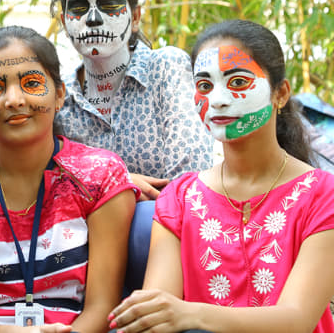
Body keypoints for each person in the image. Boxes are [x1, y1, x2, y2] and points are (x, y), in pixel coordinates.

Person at [109, 19, 334, 333]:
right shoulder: (180, 199)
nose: (217, 99)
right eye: (204, 85)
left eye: (238, 82)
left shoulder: (324, 194)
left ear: (280, 93)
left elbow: (297, 320)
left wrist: (192, 314)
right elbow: (157, 313)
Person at [0, 26, 137, 332]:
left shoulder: (99, 175)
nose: (13, 100)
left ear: (59, 95)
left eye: (30, 83)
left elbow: (102, 308)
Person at [52, 0, 214, 291]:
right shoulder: (57, 96)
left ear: (136, 16)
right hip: (87, 251)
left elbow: (189, 181)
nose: (93, 19)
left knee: (144, 222)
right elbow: (52, 185)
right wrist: (124, 182)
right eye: (79, 8)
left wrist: (111, 189)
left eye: (109, 5)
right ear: (65, 21)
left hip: (171, 248)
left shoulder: (167, 67)